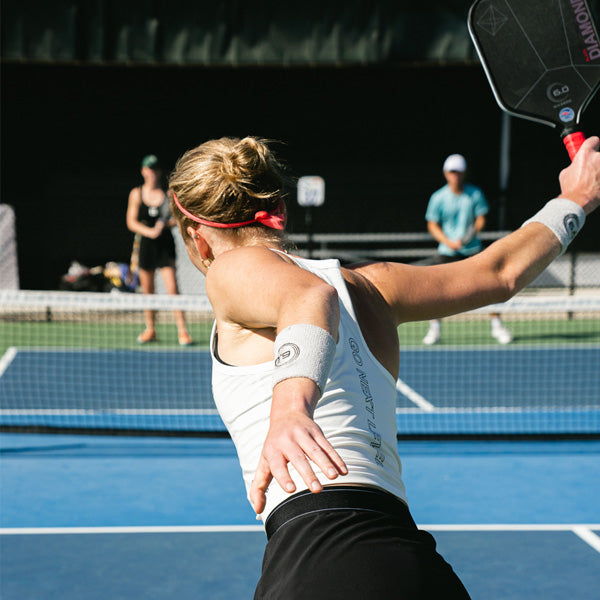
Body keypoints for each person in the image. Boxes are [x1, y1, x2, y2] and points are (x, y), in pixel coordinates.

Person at [168, 136, 600, 599]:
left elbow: (310, 296)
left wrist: (290, 408)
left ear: (197, 235)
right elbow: (501, 273)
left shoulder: (230, 269)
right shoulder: (374, 286)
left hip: (319, 558)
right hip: (412, 563)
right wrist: (575, 198)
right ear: (282, 210)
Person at [420, 154, 513, 345]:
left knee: (490, 286)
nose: (455, 175)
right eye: (452, 172)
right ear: (446, 173)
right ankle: (435, 330)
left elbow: (480, 219)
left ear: (464, 173)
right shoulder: (438, 197)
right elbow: (432, 224)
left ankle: (497, 326)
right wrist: (448, 241)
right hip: (446, 252)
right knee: (436, 292)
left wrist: (468, 237)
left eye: (459, 172)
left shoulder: (475, 194)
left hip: (472, 250)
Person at [126, 154, 193, 345]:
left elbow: (178, 218)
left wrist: (165, 225)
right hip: (146, 245)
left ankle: (182, 331)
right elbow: (131, 222)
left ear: (159, 172)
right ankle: (151, 330)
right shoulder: (136, 193)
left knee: (172, 287)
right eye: (149, 169)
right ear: (143, 171)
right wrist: (149, 231)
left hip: (165, 245)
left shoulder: (168, 194)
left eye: (155, 169)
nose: (152, 172)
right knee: (148, 290)